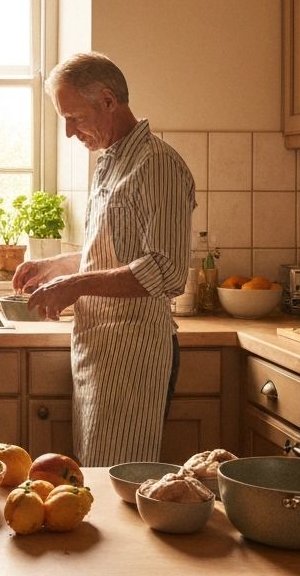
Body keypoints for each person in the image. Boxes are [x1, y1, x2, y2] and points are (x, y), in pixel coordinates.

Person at [13, 52, 196, 465]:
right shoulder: (110, 162)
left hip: (134, 353)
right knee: (95, 473)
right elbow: (114, 252)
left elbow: (165, 270)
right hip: (100, 348)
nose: (67, 131)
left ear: (108, 101)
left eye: (74, 117)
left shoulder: (156, 164)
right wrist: (56, 267)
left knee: (113, 483)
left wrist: (75, 285)